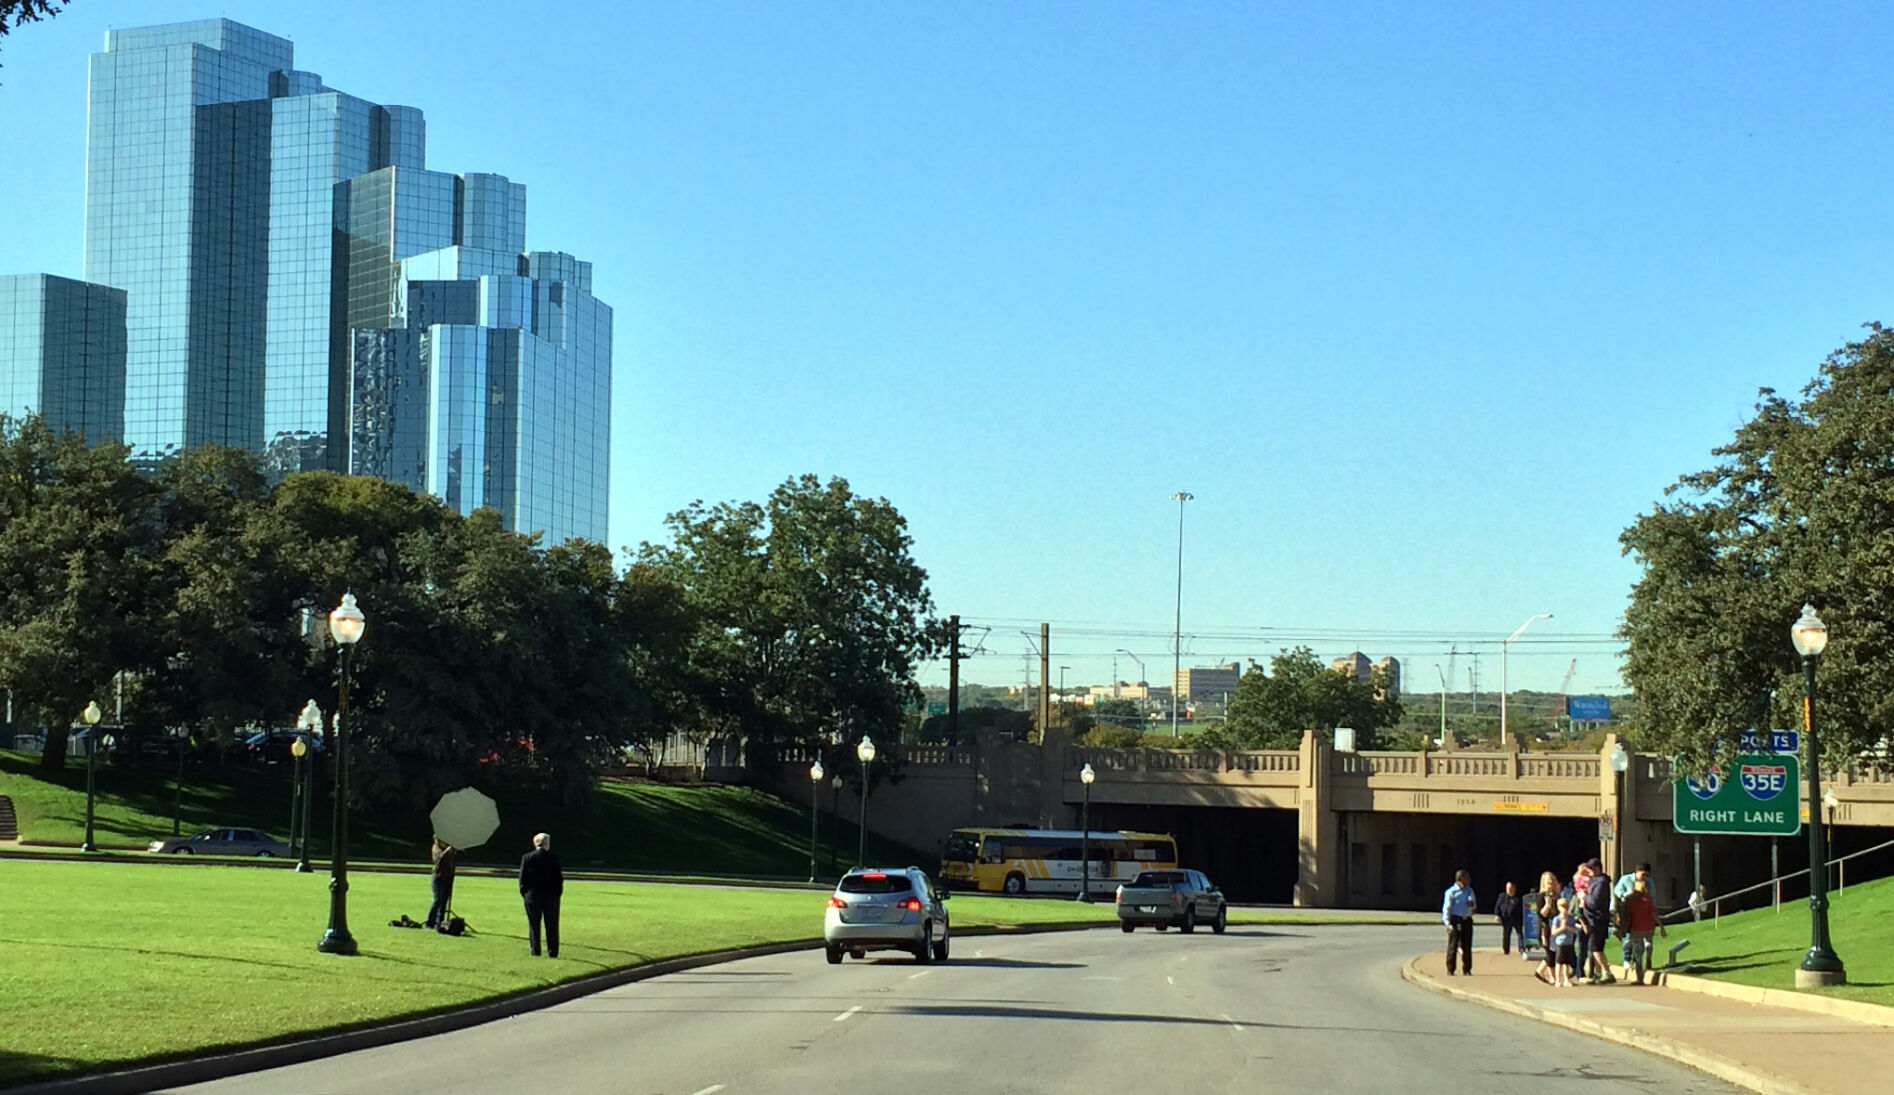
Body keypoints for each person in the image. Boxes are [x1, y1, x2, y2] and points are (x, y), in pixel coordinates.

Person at [518, 832, 564, 958]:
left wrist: (525, 894)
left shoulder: (527, 857)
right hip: (551, 897)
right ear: (546, 844)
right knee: (552, 925)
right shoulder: (554, 858)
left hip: (532, 896)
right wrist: (557, 894)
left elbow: (522, 879)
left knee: (534, 924)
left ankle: (535, 950)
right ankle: (553, 951)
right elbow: (559, 879)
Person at [1620, 877, 1667, 985]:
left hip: (1636, 929)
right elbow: (1653, 914)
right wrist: (1661, 926)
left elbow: (1623, 912)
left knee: (1637, 954)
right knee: (1648, 941)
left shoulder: (1629, 899)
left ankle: (1639, 978)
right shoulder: (1648, 899)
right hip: (1649, 927)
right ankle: (1648, 949)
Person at [1581, 857, 1616, 983]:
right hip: (1592, 919)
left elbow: (1594, 902)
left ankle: (1607, 972)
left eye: (1590, 869)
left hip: (1597, 920)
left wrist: (1584, 896)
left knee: (1595, 947)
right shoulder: (1595, 881)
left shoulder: (1601, 882)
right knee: (1595, 947)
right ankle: (1598, 973)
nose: (1588, 871)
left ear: (1597, 869)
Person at [1441, 868, 1476, 976]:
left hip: (1466, 920)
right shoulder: (1451, 892)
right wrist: (1447, 923)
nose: (1469, 880)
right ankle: (1450, 969)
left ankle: (1467, 969)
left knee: (1467, 946)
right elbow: (1446, 908)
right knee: (1453, 945)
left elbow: (1474, 905)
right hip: (1455, 920)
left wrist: (1473, 906)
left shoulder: (1469, 891)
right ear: (1461, 879)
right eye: (1467, 878)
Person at [426, 836, 457, 930]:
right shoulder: (436, 848)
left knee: (444, 901)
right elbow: (440, 858)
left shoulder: (449, 851)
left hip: (448, 877)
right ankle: (430, 922)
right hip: (438, 877)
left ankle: (440, 922)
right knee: (438, 900)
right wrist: (448, 850)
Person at [1548, 903, 1578, 987]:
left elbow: (1574, 930)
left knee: (1567, 963)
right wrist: (1562, 928)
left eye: (1566, 906)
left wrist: (1567, 927)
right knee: (1559, 962)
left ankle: (1566, 979)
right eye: (1562, 907)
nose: (1564, 909)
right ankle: (1558, 980)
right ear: (1558, 908)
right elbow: (1553, 932)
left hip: (1569, 943)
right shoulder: (1556, 919)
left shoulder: (1571, 918)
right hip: (1560, 943)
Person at [1493, 881, 1524, 957]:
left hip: (1517, 919)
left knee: (1520, 934)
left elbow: (1523, 908)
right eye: (1508, 888)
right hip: (1506, 919)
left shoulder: (1519, 898)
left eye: (1511, 888)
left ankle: (1521, 948)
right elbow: (1497, 906)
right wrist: (1497, 915)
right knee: (1506, 935)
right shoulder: (1502, 896)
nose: (1509, 890)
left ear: (1514, 888)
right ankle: (1506, 949)